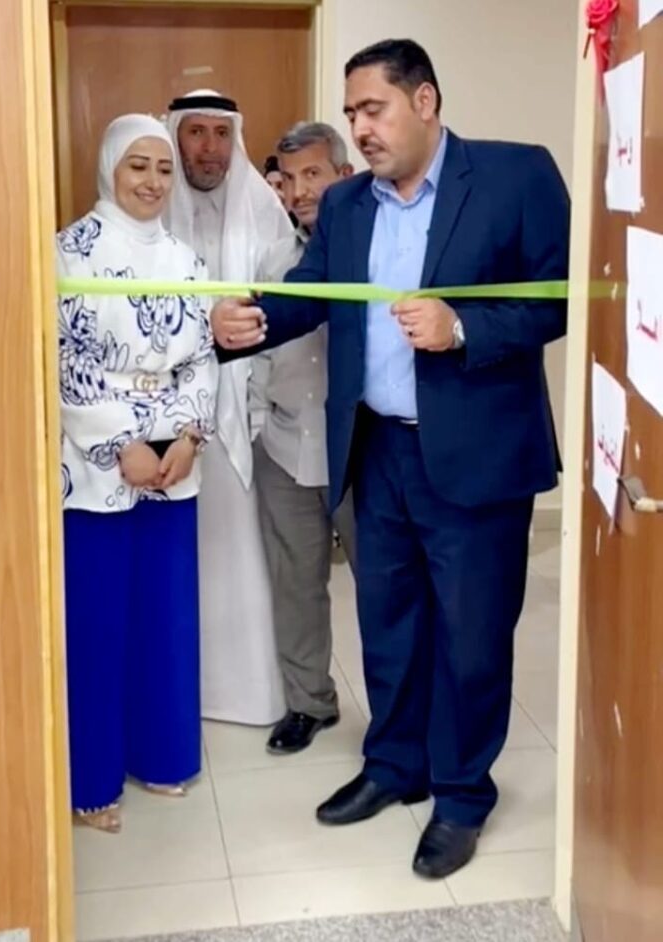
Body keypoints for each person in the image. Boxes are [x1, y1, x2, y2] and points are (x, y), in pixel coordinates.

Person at [211, 40, 569, 878]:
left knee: (473, 637)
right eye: (352, 114)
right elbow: (315, 289)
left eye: (373, 109)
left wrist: (464, 326)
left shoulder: (516, 176)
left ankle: (462, 795)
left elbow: (557, 296)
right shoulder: (347, 206)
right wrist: (248, 322)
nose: (361, 128)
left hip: (477, 457)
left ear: (425, 101)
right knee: (388, 623)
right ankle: (395, 763)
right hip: (376, 451)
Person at [57, 113, 218, 833]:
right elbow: (65, 359)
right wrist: (122, 443)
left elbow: (202, 358)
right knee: (96, 619)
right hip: (97, 464)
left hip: (173, 460)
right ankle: (90, 781)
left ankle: (161, 755)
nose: (152, 182)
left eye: (163, 169)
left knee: (164, 613)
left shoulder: (187, 260)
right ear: (110, 169)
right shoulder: (69, 252)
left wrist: (188, 434)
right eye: (138, 166)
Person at [164, 89, 293, 726]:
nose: (209, 148)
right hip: (165, 423)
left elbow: (285, 311)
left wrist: (260, 403)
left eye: (221, 133)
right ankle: (173, 691)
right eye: (196, 133)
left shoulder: (263, 208)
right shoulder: (151, 206)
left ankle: (244, 695)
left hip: (244, 413)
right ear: (175, 136)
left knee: (239, 555)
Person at [250, 122, 357, 756]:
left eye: (313, 175)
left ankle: (401, 720)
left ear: (345, 176)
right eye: (289, 179)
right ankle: (309, 703)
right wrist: (257, 426)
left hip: (362, 452)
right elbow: (255, 348)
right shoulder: (272, 258)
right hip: (286, 446)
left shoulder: (375, 251)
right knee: (296, 586)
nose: (299, 192)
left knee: (386, 592)